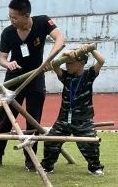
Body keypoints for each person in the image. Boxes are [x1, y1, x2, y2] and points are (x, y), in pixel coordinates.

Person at [0, 0, 65, 171]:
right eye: (9, 17)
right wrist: (8, 64)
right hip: (14, 80)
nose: (11, 20)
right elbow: (2, 58)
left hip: (36, 77)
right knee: (5, 119)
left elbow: (60, 38)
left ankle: (30, 160)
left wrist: (49, 59)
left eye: (14, 17)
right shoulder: (8, 32)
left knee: (33, 120)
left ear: (26, 15)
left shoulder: (42, 22)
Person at [40, 46, 106, 176]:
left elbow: (101, 61)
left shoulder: (89, 75)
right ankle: (47, 166)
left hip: (83, 120)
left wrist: (90, 49)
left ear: (81, 63)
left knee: (90, 143)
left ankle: (95, 167)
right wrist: (65, 54)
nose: (67, 66)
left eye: (70, 63)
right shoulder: (66, 77)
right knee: (51, 140)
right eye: (66, 64)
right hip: (63, 119)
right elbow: (55, 64)